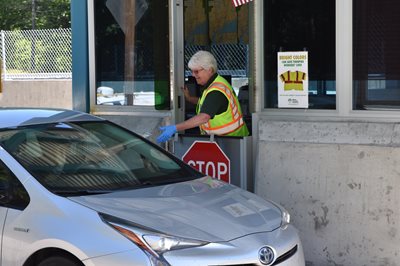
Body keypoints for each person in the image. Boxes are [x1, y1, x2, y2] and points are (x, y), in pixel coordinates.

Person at [157, 50, 249, 143]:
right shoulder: (215, 83)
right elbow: (207, 103)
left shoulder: (217, 91)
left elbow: (204, 117)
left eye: (196, 71)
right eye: (192, 71)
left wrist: (175, 128)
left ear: (209, 70)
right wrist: (189, 98)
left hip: (233, 143)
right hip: (227, 141)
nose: (193, 75)